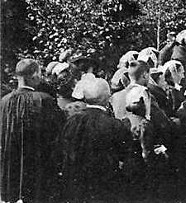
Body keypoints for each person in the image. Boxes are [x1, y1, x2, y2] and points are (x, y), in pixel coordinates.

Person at [0, 59, 64, 203]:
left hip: (11, 170)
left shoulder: (4, 102)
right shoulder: (44, 100)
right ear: (35, 75)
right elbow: (58, 134)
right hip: (38, 169)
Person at [59, 76, 131, 203]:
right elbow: (128, 159)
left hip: (76, 189)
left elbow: (62, 153)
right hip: (105, 190)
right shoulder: (114, 125)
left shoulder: (71, 122)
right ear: (107, 98)